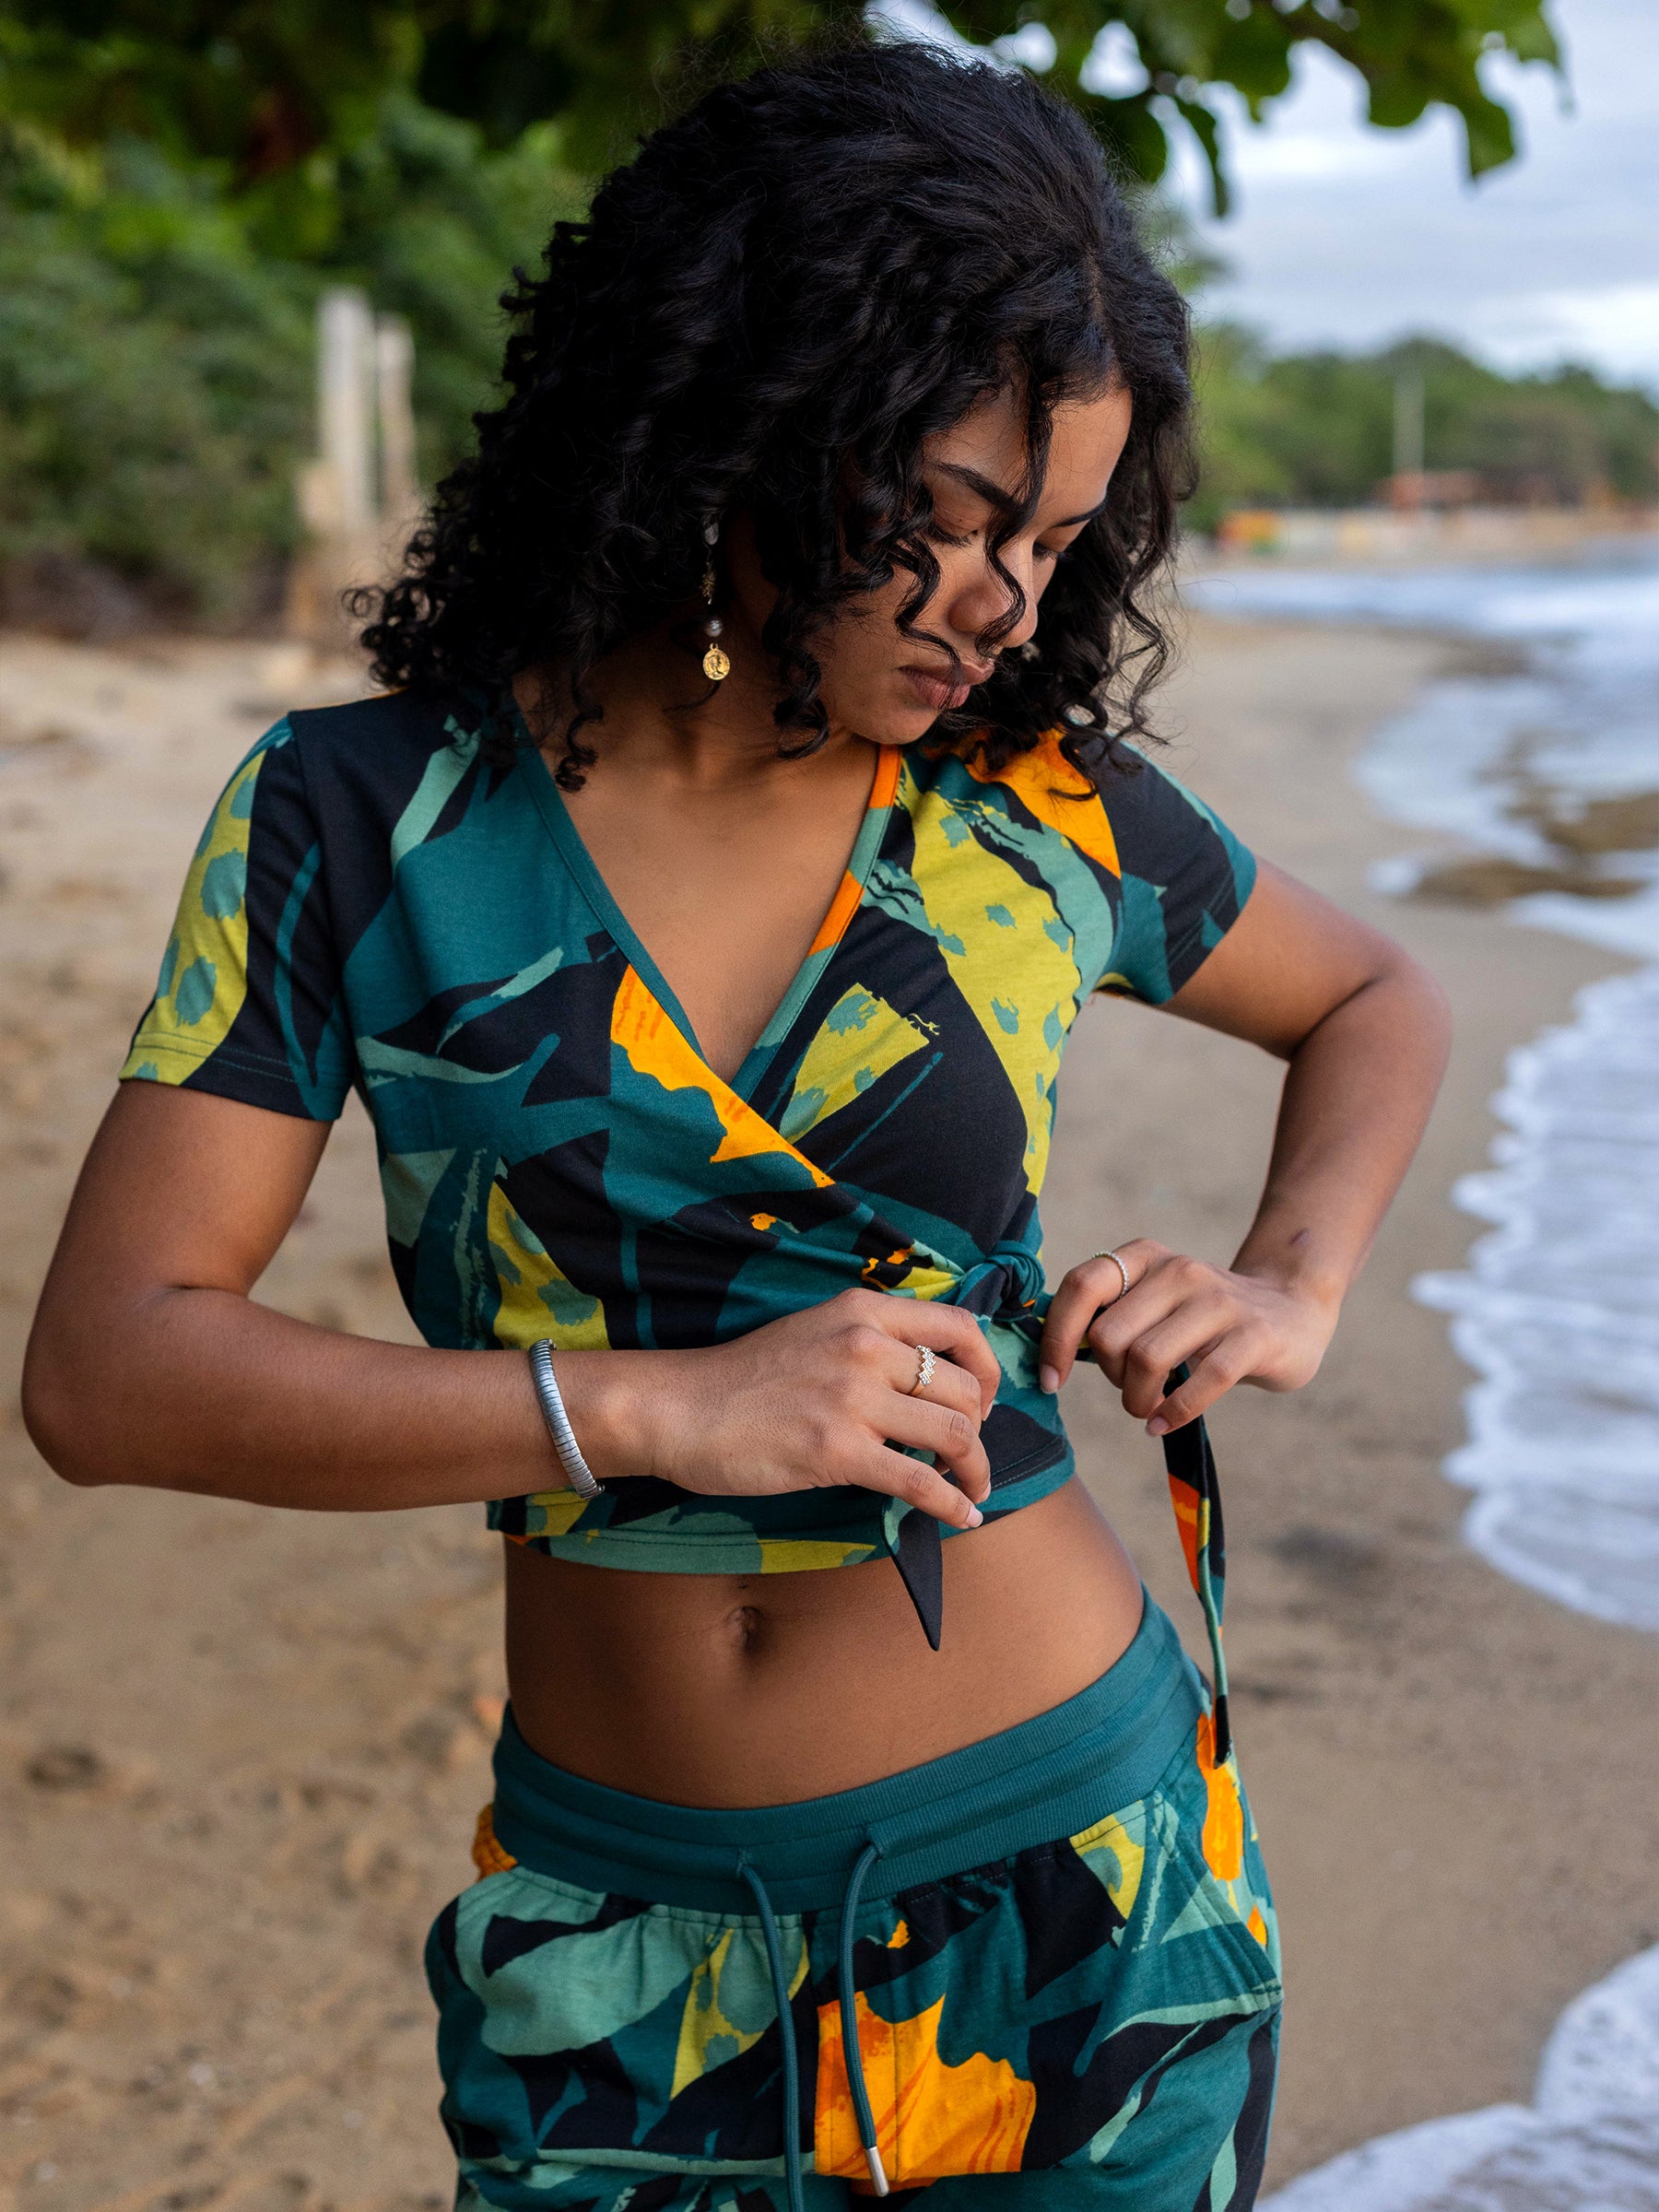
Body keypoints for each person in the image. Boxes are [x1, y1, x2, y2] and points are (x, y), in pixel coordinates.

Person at [24, 41, 1451, 2212]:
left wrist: (1290, 1284)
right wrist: (656, 1410)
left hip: (1071, 1905)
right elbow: (112, 1371)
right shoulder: (361, 820)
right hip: (618, 1950)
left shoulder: (1033, 809)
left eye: (1057, 542)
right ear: (736, 430)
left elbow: (1372, 995)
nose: (1005, 605)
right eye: (946, 518)